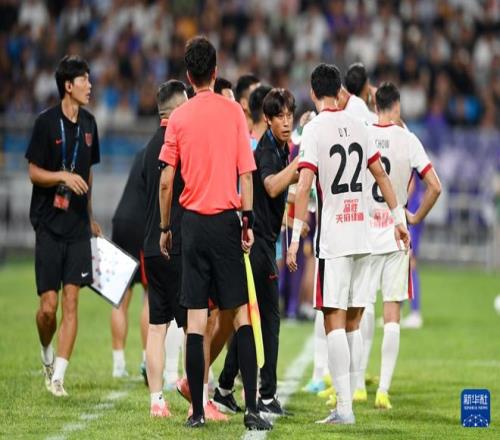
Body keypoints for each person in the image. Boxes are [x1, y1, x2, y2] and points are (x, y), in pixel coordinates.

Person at [287, 63, 409, 425]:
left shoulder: (314, 129)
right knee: (354, 318)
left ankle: (344, 407)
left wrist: (294, 238)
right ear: (339, 90)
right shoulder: (360, 124)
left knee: (333, 320)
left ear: (313, 92)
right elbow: (381, 175)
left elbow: (304, 187)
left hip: (335, 237)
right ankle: (350, 398)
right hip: (364, 234)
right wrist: (399, 220)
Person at [158, 36, 271, 430]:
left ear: (189, 77)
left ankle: (197, 412)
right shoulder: (234, 112)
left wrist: (165, 227)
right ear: (215, 71)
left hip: (191, 223)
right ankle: (252, 409)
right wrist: (247, 222)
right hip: (225, 222)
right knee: (240, 315)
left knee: (195, 318)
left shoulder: (179, 118)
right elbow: (246, 174)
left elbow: (167, 180)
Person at [355, 82, 441, 409]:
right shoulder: (409, 139)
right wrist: (414, 216)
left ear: (375, 105)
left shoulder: (363, 134)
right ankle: (383, 391)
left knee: (363, 309)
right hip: (396, 232)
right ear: (398, 107)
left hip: (365, 233)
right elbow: (435, 186)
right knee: (392, 313)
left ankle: (358, 385)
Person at [25, 55, 101, 397]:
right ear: (68, 86)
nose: (90, 85)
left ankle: (58, 377)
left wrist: (91, 217)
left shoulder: (90, 124)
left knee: (72, 302)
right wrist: (62, 177)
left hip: (77, 227)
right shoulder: (45, 123)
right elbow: (33, 172)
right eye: (84, 80)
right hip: (48, 225)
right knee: (48, 308)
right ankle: (46, 352)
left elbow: (88, 175)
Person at [141, 80, 189, 417]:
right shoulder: (177, 142)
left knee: (157, 326)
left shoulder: (148, 148)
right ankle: (196, 392)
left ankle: (156, 400)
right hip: (174, 241)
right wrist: (167, 228)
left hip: (151, 248)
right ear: (176, 109)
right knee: (191, 323)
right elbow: (166, 187)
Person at [110, 149, 149, 380]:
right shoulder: (164, 152)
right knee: (150, 295)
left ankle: (118, 364)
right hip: (142, 225)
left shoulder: (141, 152)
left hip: (122, 220)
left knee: (121, 297)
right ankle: (147, 359)